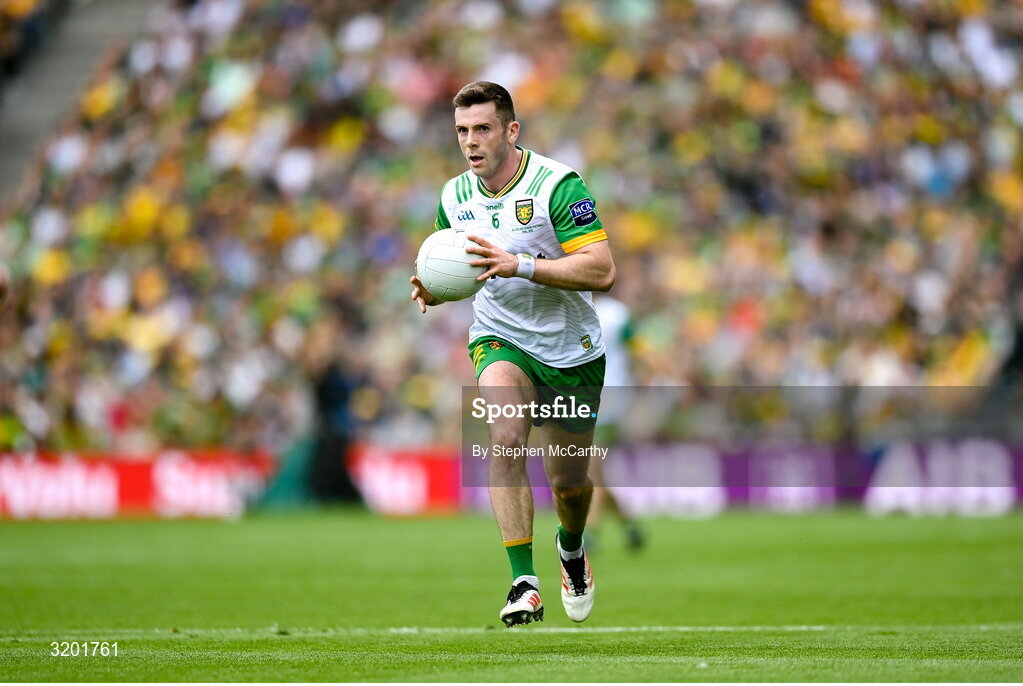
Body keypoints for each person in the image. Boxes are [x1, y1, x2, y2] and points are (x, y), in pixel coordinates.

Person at [410, 81, 615, 627]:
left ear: (511, 130)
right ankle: (525, 582)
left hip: (570, 351)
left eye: (482, 129)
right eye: (462, 131)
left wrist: (519, 264)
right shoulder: (454, 196)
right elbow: (456, 268)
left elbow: (602, 270)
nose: (470, 141)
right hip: (500, 338)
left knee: (570, 486)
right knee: (504, 434)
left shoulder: (557, 185)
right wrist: (435, 287)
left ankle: (571, 548)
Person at [586, 294, 645, 553]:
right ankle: (629, 525)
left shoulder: (617, 313)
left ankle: (589, 533)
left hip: (609, 399)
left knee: (590, 467)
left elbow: (640, 348)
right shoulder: (568, 302)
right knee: (595, 472)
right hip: (580, 397)